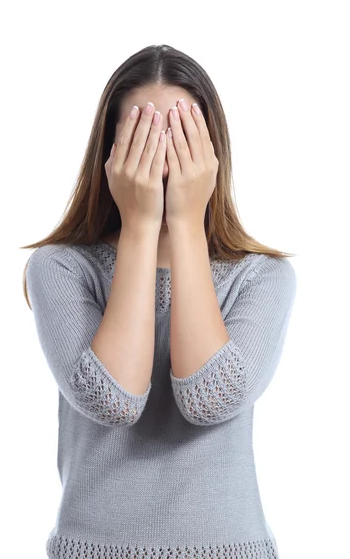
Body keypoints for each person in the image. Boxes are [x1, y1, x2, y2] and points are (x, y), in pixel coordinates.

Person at [21, 44, 297, 559]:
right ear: (110, 151)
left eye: (182, 136)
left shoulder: (263, 276)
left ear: (212, 151)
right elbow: (114, 400)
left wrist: (188, 224)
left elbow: (209, 399)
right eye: (142, 137)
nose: (161, 157)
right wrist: (142, 225)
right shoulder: (60, 268)